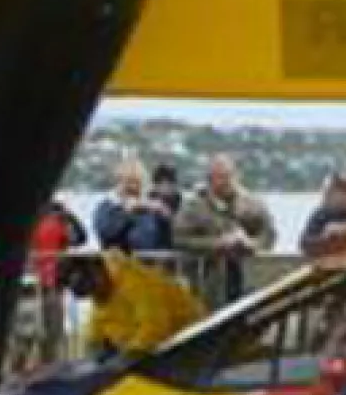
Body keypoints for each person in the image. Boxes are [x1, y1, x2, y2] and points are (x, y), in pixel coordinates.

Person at [55, 251, 207, 357]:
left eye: (90, 286)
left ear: (96, 269)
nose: (94, 294)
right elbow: (97, 327)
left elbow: (154, 327)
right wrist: (94, 350)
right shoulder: (101, 291)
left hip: (191, 342)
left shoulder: (135, 281)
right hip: (157, 350)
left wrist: (127, 357)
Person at [173, 154, 277, 309]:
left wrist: (251, 243)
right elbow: (180, 238)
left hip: (245, 278)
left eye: (229, 176)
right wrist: (217, 243)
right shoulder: (194, 206)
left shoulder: (252, 204)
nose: (227, 181)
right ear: (210, 179)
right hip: (207, 280)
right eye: (221, 177)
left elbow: (269, 234)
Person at [12, 199, 87, 375]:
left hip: (53, 285)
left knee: (52, 335)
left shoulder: (59, 214)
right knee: (25, 336)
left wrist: (68, 215)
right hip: (28, 286)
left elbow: (79, 238)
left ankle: (46, 376)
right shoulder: (22, 214)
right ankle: (16, 375)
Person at [94, 159, 173, 254]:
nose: (134, 187)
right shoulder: (107, 207)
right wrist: (126, 213)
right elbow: (107, 233)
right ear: (119, 182)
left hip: (150, 260)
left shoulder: (149, 209)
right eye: (130, 182)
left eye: (137, 183)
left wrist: (164, 218)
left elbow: (166, 243)